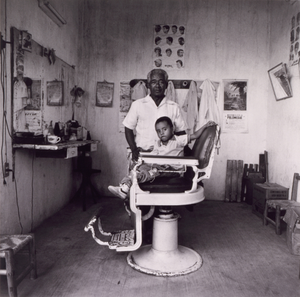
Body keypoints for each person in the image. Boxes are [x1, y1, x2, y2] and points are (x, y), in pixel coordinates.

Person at [108, 116, 215, 199]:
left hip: (173, 170)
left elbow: (195, 135)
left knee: (151, 171)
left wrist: (205, 126)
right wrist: (142, 151)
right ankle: (124, 186)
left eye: (164, 129)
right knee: (138, 167)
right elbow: (152, 152)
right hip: (161, 166)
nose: (161, 133)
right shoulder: (158, 143)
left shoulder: (179, 140)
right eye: (158, 131)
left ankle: (127, 186)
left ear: (172, 129)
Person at [122, 68, 187, 163]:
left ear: (166, 85)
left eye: (161, 82)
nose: (157, 86)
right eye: (153, 82)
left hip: (167, 158)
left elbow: (181, 132)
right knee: (142, 177)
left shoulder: (174, 107)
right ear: (148, 85)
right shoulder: (138, 104)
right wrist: (134, 149)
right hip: (142, 155)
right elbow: (128, 128)